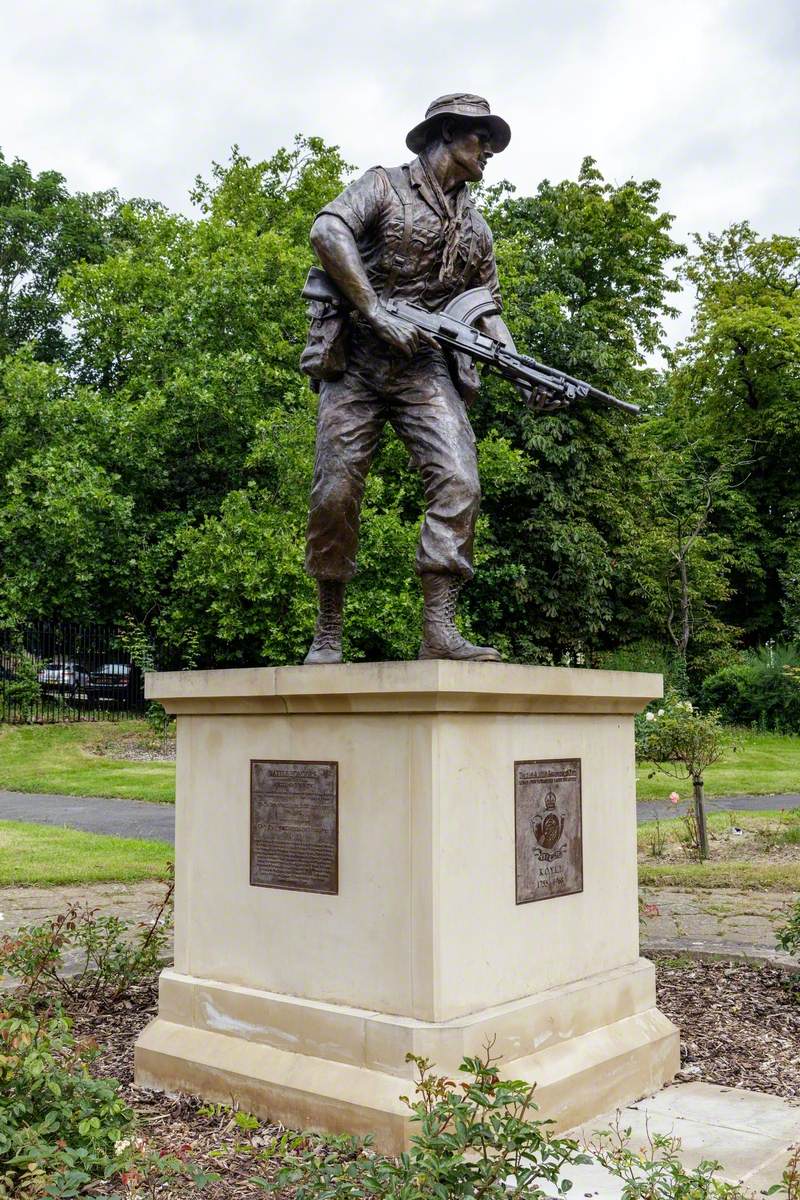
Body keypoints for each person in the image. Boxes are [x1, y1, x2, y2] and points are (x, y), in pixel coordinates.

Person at [302, 93, 536, 665]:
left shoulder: (477, 228)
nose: (488, 153)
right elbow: (326, 232)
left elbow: (486, 307)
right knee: (336, 490)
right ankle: (328, 630)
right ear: (449, 134)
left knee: (461, 481)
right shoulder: (382, 186)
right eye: (482, 139)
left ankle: (440, 631)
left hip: (424, 368)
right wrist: (375, 311)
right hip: (357, 361)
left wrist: (522, 369)